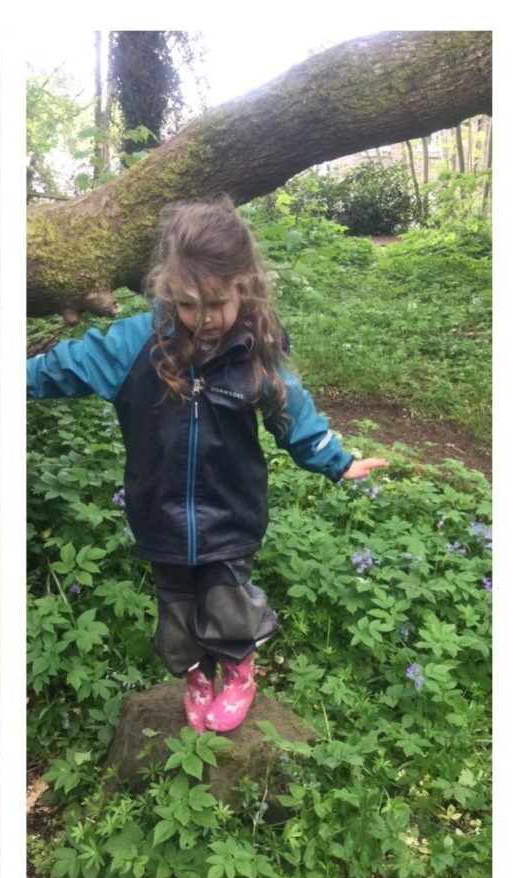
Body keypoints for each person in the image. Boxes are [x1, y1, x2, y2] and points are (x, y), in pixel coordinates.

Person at [27, 198, 388, 734]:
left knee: (228, 603)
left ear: (245, 286)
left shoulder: (254, 352)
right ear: (169, 292)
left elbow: (294, 415)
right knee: (175, 608)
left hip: (231, 513)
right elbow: (64, 366)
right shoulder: (135, 345)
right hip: (159, 514)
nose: (205, 320)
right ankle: (194, 674)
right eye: (188, 306)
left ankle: (239, 673)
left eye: (217, 303)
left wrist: (337, 461)